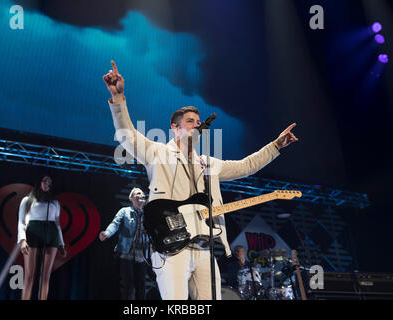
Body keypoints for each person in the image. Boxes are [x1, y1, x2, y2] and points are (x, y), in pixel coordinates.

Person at [103, 60, 298, 300]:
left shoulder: (208, 163)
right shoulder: (157, 153)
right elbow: (127, 135)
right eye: (190, 121)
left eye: (198, 122)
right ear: (174, 127)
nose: (197, 124)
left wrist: (276, 146)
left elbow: (246, 166)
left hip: (205, 249)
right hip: (171, 247)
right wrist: (119, 99)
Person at [17, 175, 67, 300]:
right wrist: (22, 240)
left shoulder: (54, 203)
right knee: (29, 274)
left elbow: (57, 224)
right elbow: (21, 221)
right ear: (39, 182)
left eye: (50, 182)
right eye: (45, 181)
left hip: (51, 235)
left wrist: (61, 244)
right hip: (33, 233)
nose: (47, 184)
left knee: (45, 275)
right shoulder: (27, 200)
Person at [99, 187, 149, 300]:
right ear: (131, 198)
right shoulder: (125, 211)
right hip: (126, 254)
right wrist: (107, 233)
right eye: (137, 193)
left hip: (142, 256)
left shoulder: (148, 214)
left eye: (142, 193)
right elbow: (115, 224)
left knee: (141, 286)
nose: (141, 195)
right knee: (129, 286)